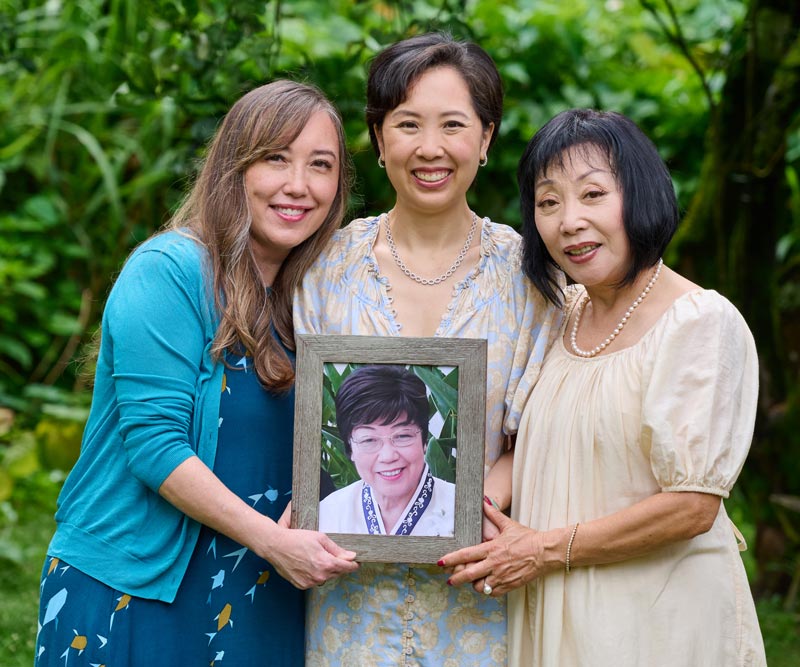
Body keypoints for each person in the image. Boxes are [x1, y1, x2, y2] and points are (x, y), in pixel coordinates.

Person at [34, 80, 359, 667]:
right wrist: (274, 542)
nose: (298, 185)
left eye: (321, 165)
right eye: (275, 159)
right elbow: (156, 446)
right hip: (136, 589)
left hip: (257, 590)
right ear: (234, 169)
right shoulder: (168, 271)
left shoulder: (313, 298)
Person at [440, 108, 767, 665]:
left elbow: (691, 506)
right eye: (548, 202)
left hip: (656, 619)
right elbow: (535, 446)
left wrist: (542, 549)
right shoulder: (559, 314)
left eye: (593, 195)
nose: (569, 221)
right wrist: (461, 511)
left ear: (641, 196)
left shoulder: (698, 323)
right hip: (553, 609)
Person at [292, 32, 561, 666]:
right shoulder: (325, 268)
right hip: (347, 600)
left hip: (473, 594)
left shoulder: (532, 277)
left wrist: (458, 512)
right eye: (407, 124)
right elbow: (302, 420)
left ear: (486, 138)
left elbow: (540, 433)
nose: (430, 148)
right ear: (379, 138)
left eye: (453, 125)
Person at [319, 365, 455, 536]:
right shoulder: (327, 515)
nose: (388, 456)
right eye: (369, 440)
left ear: (424, 440)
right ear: (350, 447)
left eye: (402, 436)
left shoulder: (463, 509)